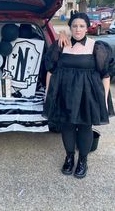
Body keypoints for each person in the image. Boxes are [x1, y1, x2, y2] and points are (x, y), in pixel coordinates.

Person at [44, 12, 114, 178]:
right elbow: (50, 71)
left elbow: (105, 75)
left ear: (87, 27)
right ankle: (69, 157)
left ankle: (83, 160)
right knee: (67, 126)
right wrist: (49, 94)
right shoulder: (61, 44)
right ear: (70, 28)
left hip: (87, 95)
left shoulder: (96, 47)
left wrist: (104, 100)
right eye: (74, 25)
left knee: (84, 127)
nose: (78, 29)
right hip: (65, 93)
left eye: (82, 26)